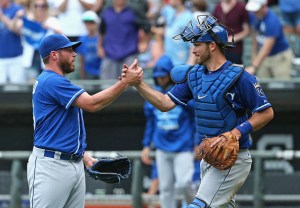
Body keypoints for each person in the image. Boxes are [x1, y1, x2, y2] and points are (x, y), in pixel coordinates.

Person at [125, 14, 274, 207]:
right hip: (209, 158)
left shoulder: (241, 77)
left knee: (199, 204)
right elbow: (164, 103)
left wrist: (237, 132)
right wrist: (139, 84)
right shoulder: (194, 76)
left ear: (212, 45)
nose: (193, 51)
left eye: (197, 45)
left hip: (233, 158)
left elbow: (266, 112)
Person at [27, 33, 142, 208]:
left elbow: (63, 129)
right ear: (54, 55)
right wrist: (125, 83)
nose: (74, 54)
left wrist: (84, 157)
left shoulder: (56, 82)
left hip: (72, 163)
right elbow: (92, 104)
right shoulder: (50, 80)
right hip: (51, 166)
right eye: (68, 50)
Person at [140, 55, 196, 208]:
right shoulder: (153, 95)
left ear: (170, 75)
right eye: (158, 77)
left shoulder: (181, 92)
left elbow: (195, 119)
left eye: (164, 76)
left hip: (183, 147)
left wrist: (198, 142)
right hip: (162, 147)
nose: (161, 79)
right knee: (165, 188)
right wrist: (146, 146)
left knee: (184, 184)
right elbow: (151, 124)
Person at [245, 0, 293, 79]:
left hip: (278, 57)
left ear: (264, 6)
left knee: (281, 86)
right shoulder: (253, 15)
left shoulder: (272, 20)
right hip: (262, 56)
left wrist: (253, 66)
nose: (254, 12)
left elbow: (267, 47)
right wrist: (254, 55)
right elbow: (255, 34)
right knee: (263, 86)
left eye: (256, 10)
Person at [213, 0, 250, 64]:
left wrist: (232, 39)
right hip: (220, 49)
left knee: (234, 72)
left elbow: (247, 31)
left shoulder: (241, 7)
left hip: (235, 50)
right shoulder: (217, 7)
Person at [0, 0, 25, 84]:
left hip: (16, 57)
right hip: (1, 58)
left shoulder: (17, 9)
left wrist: (2, 17)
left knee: (18, 90)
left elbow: (17, 30)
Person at [77, 10, 102, 80]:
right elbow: (81, 59)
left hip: (102, 71)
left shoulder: (102, 38)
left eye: (91, 22)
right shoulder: (82, 39)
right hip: (88, 72)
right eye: (86, 22)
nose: (88, 25)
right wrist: (82, 77)